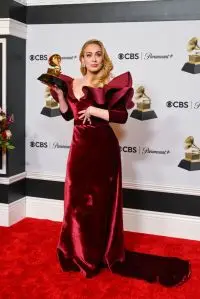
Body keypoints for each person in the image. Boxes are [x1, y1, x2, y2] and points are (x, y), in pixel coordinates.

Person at [50, 39, 190, 286]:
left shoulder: (109, 84)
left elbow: (122, 116)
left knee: (102, 204)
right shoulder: (72, 84)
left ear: (102, 59)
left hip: (104, 150)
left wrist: (95, 111)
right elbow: (67, 115)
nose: (93, 59)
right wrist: (61, 95)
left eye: (98, 55)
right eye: (88, 55)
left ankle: (101, 253)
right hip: (79, 149)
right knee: (76, 202)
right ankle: (78, 251)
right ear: (81, 59)